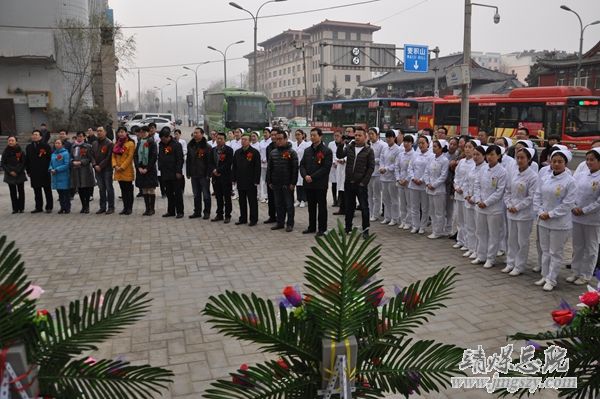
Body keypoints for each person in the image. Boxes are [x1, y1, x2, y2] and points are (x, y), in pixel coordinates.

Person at [533, 149, 577, 291]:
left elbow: (568, 203)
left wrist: (550, 214)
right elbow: (537, 195)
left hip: (560, 223)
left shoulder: (570, 181)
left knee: (555, 252)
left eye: (560, 162)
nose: (556, 164)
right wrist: (540, 212)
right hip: (543, 220)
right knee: (545, 250)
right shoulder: (546, 178)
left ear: (566, 163)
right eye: (554, 161)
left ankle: (552, 279)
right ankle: (545, 275)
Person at [503, 147, 538, 276]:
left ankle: (519, 265)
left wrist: (517, 207)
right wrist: (509, 204)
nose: (519, 160)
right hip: (511, 212)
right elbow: (507, 191)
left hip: (524, 214)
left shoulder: (533, 176)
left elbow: (531, 197)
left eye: (522, 158)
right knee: (511, 239)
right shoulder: (513, 173)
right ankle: (510, 263)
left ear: (529, 159)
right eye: (518, 157)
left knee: (522, 241)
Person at [336, 127, 375, 239]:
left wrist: (364, 182)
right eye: (356, 135)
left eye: (359, 135)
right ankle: (348, 228)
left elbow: (370, 168)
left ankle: (366, 230)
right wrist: (340, 144)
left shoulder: (369, 150)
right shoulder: (349, 147)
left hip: (360, 184)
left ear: (365, 137)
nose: (357, 137)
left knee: (364, 207)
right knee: (349, 206)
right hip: (349, 182)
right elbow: (340, 156)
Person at [472, 145, 507, 269]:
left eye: (493, 154)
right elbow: (477, 185)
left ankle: (490, 258)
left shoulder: (502, 172)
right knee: (480, 232)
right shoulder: (483, 169)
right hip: (480, 206)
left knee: (493, 234)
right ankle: (481, 255)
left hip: (494, 208)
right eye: (488, 154)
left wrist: (486, 202)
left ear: (498, 156)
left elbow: (499, 191)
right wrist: (478, 200)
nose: (490, 157)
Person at [570, 147, 600, 285]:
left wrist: (584, 210)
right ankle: (575, 272)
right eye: (587, 159)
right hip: (576, 216)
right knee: (577, 246)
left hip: (593, 219)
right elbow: (573, 192)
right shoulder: (582, 174)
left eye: (592, 160)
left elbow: (598, 202)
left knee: (591, 248)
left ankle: (586, 274)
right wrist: (574, 206)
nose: (588, 162)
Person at [300, 127, 333, 236]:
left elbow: (325, 168)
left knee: (322, 207)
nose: (312, 137)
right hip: (308, 183)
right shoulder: (307, 150)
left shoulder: (326, 151)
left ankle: (322, 229)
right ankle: (311, 227)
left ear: (320, 136)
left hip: (320, 184)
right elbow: (302, 165)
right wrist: (305, 176)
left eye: (315, 135)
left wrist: (312, 177)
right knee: (311, 207)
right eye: (311, 135)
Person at [267, 130, 298, 232]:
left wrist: (293, 183)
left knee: (289, 205)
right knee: (278, 204)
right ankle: (280, 223)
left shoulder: (292, 152)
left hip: (287, 183)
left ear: (286, 139)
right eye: (277, 139)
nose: (278, 141)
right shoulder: (273, 152)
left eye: (280, 139)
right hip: (276, 183)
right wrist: (269, 181)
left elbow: (295, 169)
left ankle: (290, 224)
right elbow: (269, 168)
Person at [232, 134, 261, 226]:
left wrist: (256, 180)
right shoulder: (237, 152)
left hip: (251, 181)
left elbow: (257, 167)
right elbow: (234, 166)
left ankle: (253, 219)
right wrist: (233, 178)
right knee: (242, 201)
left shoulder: (254, 152)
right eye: (242, 139)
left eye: (245, 139)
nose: (243, 141)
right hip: (240, 180)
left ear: (249, 141)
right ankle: (243, 218)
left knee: (252, 201)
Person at [452, 138, 475, 250]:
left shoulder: (475, 163)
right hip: (458, 193)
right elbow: (456, 176)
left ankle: (467, 242)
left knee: (467, 220)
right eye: (466, 147)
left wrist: (464, 190)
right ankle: (460, 240)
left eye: (470, 147)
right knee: (459, 218)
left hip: (467, 195)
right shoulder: (461, 162)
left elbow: (471, 181)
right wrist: (456, 186)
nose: (467, 149)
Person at [424, 139, 450, 239]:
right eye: (433, 146)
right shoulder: (431, 159)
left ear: (441, 148)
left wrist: (434, 185)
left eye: (435, 146)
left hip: (439, 190)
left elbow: (443, 176)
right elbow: (426, 172)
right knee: (432, 211)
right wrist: (427, 183)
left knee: (439, 212)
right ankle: (434, 230)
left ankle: (439, 231)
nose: (433, 148)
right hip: (429, 188)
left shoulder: (444, 160)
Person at [408, 135, 433, 234]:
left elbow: (429, 170)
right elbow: (410, 168)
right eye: (419, 143)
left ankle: (423, 226)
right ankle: (415, 225)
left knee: (424, 207)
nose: (421, 145)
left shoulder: (431, 156)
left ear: (428, 144)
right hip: (413, 184)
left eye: (423, 143)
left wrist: (422, 180)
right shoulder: (415, 155)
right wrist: (413, 178)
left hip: (423, 185)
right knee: (414, 206)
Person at [463, 142, 484, 260]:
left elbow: (481, 187)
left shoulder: (485, 169)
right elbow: (466, 182)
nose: (475, 157)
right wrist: (466, 195)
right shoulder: (472, 167)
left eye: (478, 155)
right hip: (468, 200)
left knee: (478, 229)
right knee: (469, 226)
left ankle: (478, 251)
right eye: (474, 154)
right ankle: (471, 248)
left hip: (476, 202)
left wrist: (474, 198)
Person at [187, 127, 213, 219]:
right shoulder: (190, 145)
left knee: (206, 194)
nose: (195, 134)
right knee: (196, 194)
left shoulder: (207, 147)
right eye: (194, 133)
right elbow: (188, 160)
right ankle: (197, 212)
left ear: (202, 134)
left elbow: (210, 162)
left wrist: (208, 174)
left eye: (197, 133)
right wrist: (188, 172)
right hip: (194, 174)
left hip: (204, 174)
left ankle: (207, 212)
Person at [158, 127, 185, 218]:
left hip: (175, 173)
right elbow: (160, 156)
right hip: (165, 173)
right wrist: (160, 167)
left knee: (177, 193)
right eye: (161, 139)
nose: (162, 140)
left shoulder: (176, 145)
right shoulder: (161, 144)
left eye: (164, 139)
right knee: (169, 193)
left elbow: (179, 159)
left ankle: (180, 211)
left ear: (168, 137)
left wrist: (178, 171)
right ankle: (171, 211)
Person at [25, 130, 53, 213]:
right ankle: (38, 207)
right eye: (33, 134)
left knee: (47, 190)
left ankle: (49, 207)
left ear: (40, 137)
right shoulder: (29, 147)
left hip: (45, 171)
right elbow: (27, 160)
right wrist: (28, 170)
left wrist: (49, 169)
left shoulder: (46, 146)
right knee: (37, 191)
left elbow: (49, 159)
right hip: (34, 172)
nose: (34, 136)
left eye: (36, 135)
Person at [134, 126, 159, 216]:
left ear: (148, 132)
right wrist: (139, 167)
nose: (143, 134)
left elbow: (154, 156)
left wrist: (147, 168)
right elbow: (135, 156)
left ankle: (152, 209)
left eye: (145, 132)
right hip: (141, 169)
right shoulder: (140, 142)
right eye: (141, 132)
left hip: (150, 169)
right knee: (144, 189)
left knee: (151, 189)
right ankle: (147, 209)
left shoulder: (152, 142)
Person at [112, 126, 136, 215]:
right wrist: (115, 165)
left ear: (126, 133)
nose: (121, 134)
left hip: (126, 170)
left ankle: (129, 208)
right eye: (119, 132)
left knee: (128, 190)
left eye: (122, 132)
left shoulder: (130, 143)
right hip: (118, 170)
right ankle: (125, 207)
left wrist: (122, 167)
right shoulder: (117, 144)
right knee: (123, 190)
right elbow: (113, 156)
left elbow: (130, 157)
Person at [379, 130, 401, 226]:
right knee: (385, 198)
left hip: (392, 177)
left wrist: (386, 168)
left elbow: (396, 164)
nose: (388, 139)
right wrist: (381, 167)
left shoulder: (398, 149)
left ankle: (395, 218)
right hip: (384, 177)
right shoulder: (385, 148)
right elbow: (381, 159)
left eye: (390, 137)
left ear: (394, 138)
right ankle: (387, 217)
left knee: (394, 199)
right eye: (387, 137)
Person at [70, 131, 95, 213]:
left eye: (81, 136)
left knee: (86, 188)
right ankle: (83, 206)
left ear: (84, 137)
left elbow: (90, 158)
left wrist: (81, 162)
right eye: (78, 136)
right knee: (79, 188)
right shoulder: (73, 146)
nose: (79, 138)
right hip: (76, 170)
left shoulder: (87, 146)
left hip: (85, 170)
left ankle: (87, 206)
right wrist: (72, 161)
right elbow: (71, 156)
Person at [211, 132, 234, 223]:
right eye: (218, 138)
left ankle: (228, 215)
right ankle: (219, 214)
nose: (219, 140)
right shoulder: (213, 150)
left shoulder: (229, 150)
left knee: (227, 197)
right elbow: (210, 162)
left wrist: (219, 171)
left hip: (225, 177)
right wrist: (213, 170)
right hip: (215, 177)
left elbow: (228, 163)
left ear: (225, 140)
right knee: (218, 196)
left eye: (221, 139)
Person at [2, 136, 27, 213]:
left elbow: (23, 163)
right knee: (12, 192)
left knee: (21, 191)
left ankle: (21, 208)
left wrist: (17, 171)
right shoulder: (5, 151)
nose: (10, 142)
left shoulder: (20, 151)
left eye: (12, 140)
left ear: (16, 142)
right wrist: (10, 171)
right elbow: (3, 163)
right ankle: (15, 208)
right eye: (9, 140)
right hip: (9, 174)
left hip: (19, 173)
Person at [395, 134, 415, 230]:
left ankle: (409, 222)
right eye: (405, 142)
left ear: (412, 143)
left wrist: (406, 180)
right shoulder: (400, 154)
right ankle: (403, 220)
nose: (406, 144)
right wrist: (398, 179)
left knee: (409, 203)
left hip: (409, 182)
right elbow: (397, 167)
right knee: (402, 203)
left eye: (408, 142)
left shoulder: (414, 155)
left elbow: (412, 169)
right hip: (400, 181)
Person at [367, 127, 385, 222]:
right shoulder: (368, 145)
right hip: (368, 173)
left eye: (372, 134)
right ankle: (370, 212)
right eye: (369, 134)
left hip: (377, 172)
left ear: (377, 135)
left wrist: (371, 160)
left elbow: (382, 159)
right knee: (369, 194)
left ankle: (376, 214)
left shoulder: (382, 145)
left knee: (376, 195)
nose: (370, 136)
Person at [49, 138, 71, 214]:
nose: (57, 144)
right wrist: (51, 168)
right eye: (56, 143)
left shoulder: (65, 153)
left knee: (65, 193)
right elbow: (50, 163)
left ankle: (67, 208)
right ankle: (62, 207)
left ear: (62, 145)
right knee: (60, 193)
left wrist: (57, 169)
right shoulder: (53, 154)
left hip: (63, 175)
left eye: (59, 143)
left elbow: (66, 164)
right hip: (55, 176)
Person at [333, 128, 351, 215]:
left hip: (347, 168)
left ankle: (349, 210)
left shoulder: (352, 144)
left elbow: (352, 154)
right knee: (340, 188)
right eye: (346, 131)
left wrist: (344, 159)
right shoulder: (340, 144)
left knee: (347, 190)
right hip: (339, 168)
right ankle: (342, 208)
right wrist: (337, 160)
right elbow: (336, 154)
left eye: (349, 132)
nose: (347, 133)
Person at [263, 129, 279, 224]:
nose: (273, 136)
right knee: (271, 198)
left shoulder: (284, 146)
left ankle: (280, 217)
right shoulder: (269, 147)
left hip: (280, 176)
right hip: (271, 175)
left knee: (280, 199)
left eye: (275, 134)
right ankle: (272, 216)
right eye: (272, 135)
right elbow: (269, 163)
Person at [293, 129, 310, 208]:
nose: (297, 136)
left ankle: (304, 200)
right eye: (296, 134)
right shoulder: (293, 144)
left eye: (299, 134)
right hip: (295, 167)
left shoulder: (306, 145)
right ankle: (298, 199)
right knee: (297, 183)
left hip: (303, 166)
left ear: (303, 135)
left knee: (303, 183)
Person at [258, 128, 272, 202]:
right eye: (264, 132)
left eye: (266, 132)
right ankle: (265, 196)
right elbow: (260, 151)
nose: (264, 134)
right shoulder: (261, 142)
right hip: (262, 164)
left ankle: (269, 196)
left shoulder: (271, 142)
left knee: (268, 180)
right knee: (263, 180)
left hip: (268, 164)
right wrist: (261, 159)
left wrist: (266, 159)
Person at [174, 129, 187, 193]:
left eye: (177, 134)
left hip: (181, 159)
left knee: (182, 175)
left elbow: (185, 150)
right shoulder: (173, 141)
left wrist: (180, 154)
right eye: (175, 134)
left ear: (180, 134)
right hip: (174, 160)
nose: (176, 135)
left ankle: (182, 189)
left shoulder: (183, 141)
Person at [328, 132, 339, 207]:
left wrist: (338, 162)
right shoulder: (331, 144)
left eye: (338, 135)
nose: (336, 137)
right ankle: (335, 200)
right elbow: (329, 154)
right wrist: (333, 162)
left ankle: (340, 200)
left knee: (341, 184)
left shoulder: (344, 144)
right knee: (334, 184)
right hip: (333, 166)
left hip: (341, 165)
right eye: (335, 135)